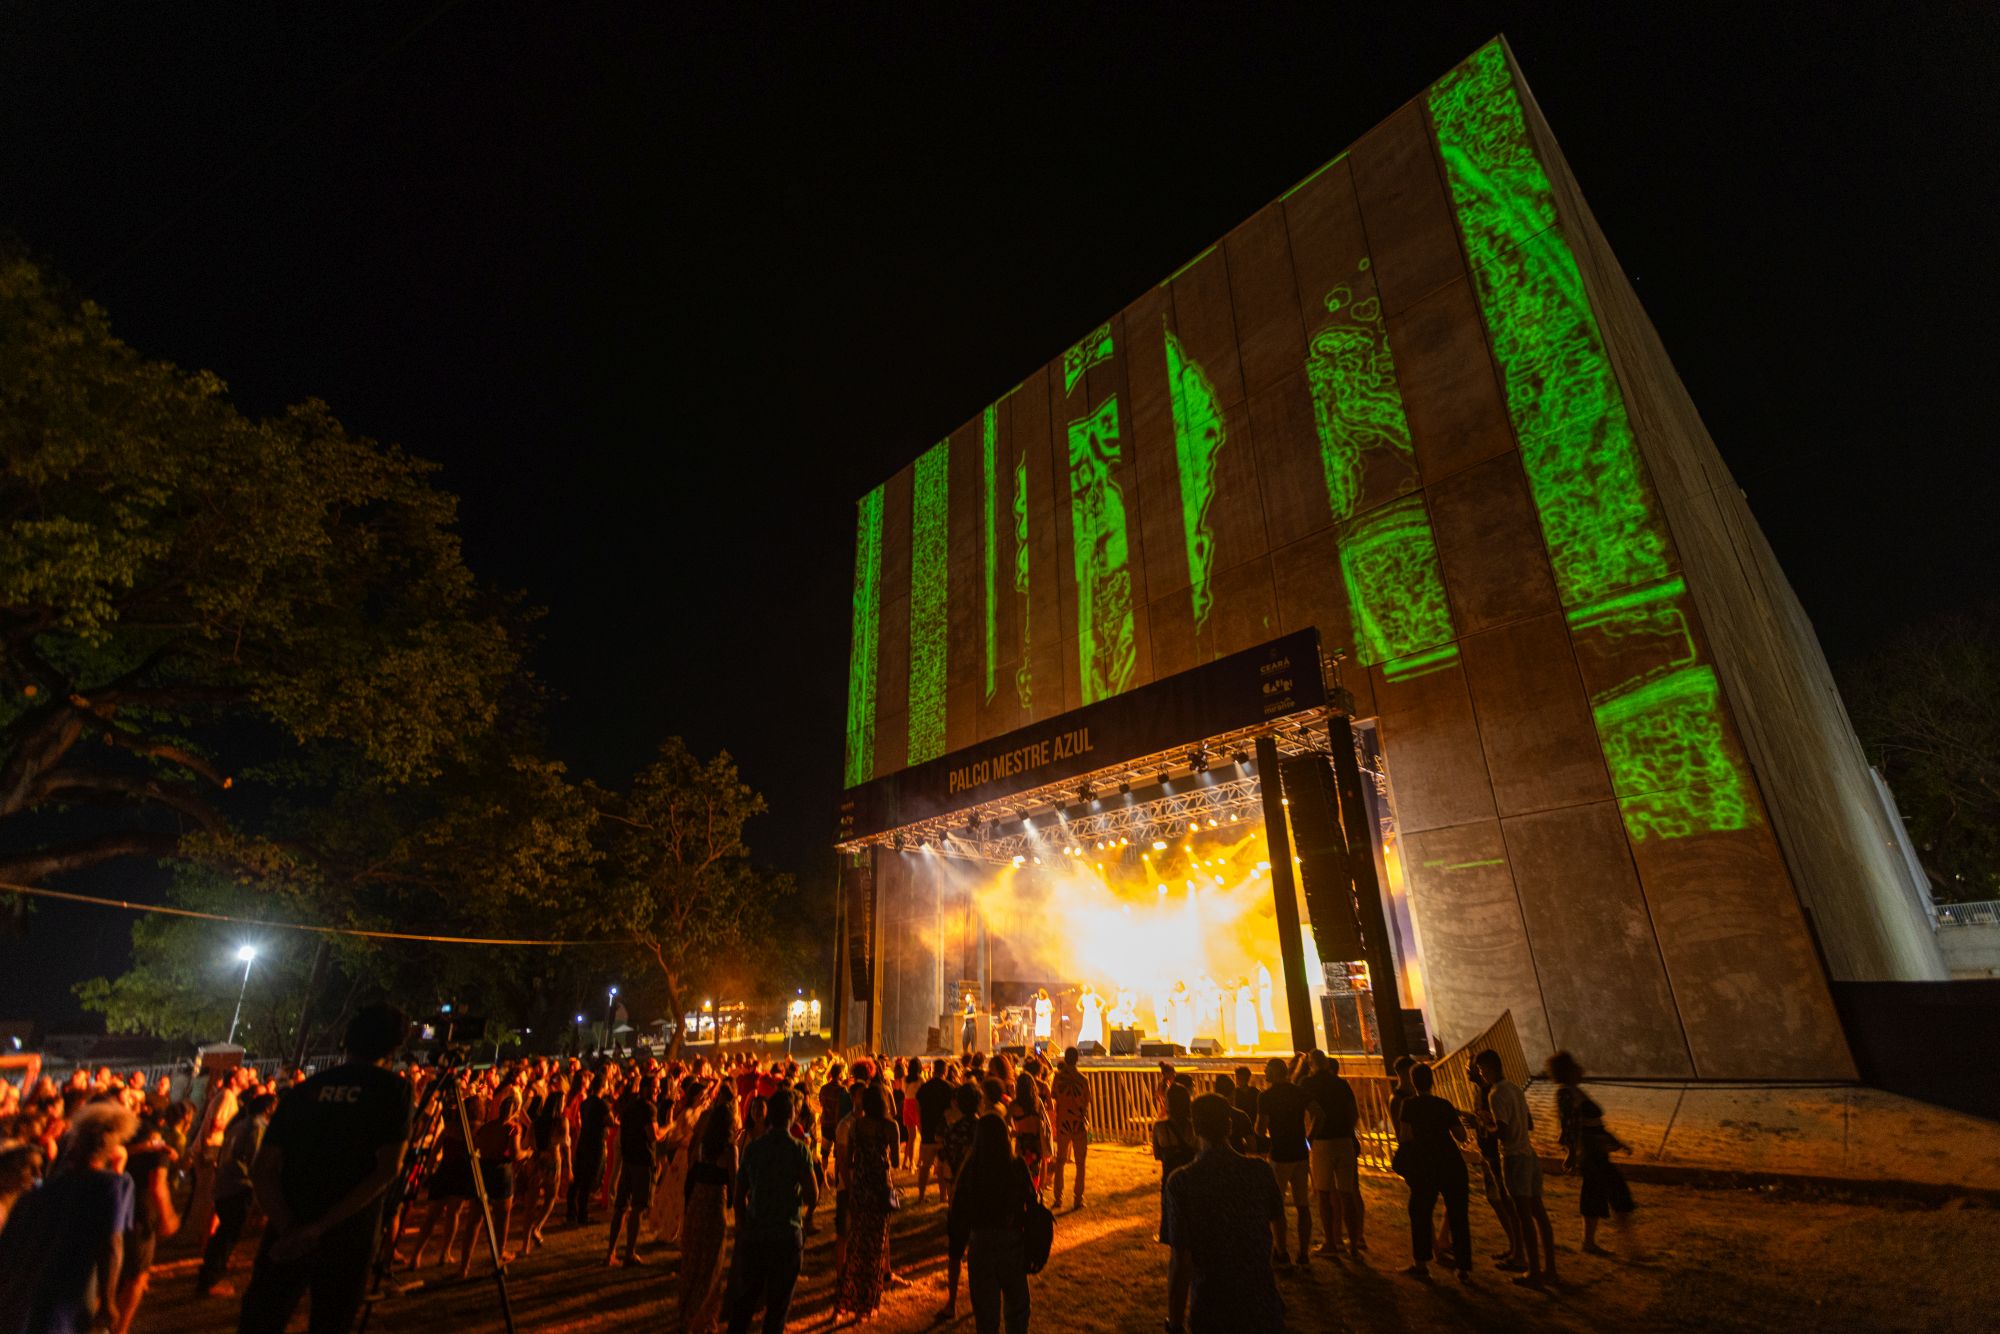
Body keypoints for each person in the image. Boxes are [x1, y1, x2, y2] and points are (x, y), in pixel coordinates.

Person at [237, 1002, 414, 1334]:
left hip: (287, 1229)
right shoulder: (394, 1090)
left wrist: (290, 1226)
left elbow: (263, 1168)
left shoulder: (303, 1091)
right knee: (331, 1323)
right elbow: (389, 1168)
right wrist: (319, 1228)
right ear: (393, 1047)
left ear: (347, 1040)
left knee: (262, 1319)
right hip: (348, 1236)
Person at [0, 1102, 138, 1334]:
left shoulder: (47, 1190)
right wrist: (108, 1301)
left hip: (32, 1294)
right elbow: (112, 1244)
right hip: (72, 1293)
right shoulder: (113, 1186)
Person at [1163, 1093, 1285, 1334]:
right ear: (1229, 1126)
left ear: (1194, 1127)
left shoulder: (1183, 1182)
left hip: (1212, 1305)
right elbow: (1278, 1223)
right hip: (1261, 1301)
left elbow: (1181, 1259)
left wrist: (1175, 1322)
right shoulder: (1260, 1171)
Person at [725, 1086, 818, 1334]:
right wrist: (806, 1215)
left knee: (745, 1301)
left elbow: (738, 1195)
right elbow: (813, 1194)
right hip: (787, 1233)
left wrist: (744, 1225)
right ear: (792, 1116)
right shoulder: (799, 1149)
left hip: (756, 1232)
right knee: (777, 1308)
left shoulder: (754, 1149)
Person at [945, 1114, 1036, 1334]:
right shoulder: (1015, 1166)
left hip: (981, 1242)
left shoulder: (971, 1169)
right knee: (1017, 1308)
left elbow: (959, 1211)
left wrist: (957, 1249)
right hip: (1010, 1240)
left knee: (986, 1314)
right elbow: (1031, 1203)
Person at [1477, 1049, 1556, 1286]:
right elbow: (1527, 1123)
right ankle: (1550, 1268)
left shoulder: (1496, 1094)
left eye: (1481, 1070)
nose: (1481, 1075)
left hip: (1514, 1158)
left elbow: (1503, 1132)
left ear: (1489, 1068)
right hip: (1529, 1154)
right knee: (1539, 1213)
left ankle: (1532, 1271)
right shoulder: (1514, 1089)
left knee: (1523, 1216)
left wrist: (1484, 1123)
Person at [1549, 1051, 1634, 1256]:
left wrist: (1616, 1143)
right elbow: (1569, 1125)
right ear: (1567, 1071)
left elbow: (1594, 1126)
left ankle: (1616, 1242)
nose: (1580, 1069)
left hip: (1596, 1151)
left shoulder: (1575, 1091)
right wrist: (1571, 1153)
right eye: (1574, 1066)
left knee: (1606, 1192)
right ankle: (1618, 1244)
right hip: (1589, 1153)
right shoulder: (1567, 1093)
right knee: (1603, 1192)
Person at [1396, 1063, 1471, 1283]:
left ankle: (1421, 1264)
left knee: (1420, 1212)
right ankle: (1463, 1268)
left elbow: (1406, 1136)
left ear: (1413, 1082)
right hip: (1450, 1162)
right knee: (1458, 1214)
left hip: (1424, 1163)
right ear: (1432, 1081)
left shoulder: (1409, 1105)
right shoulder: (1444, 1105)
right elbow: (1461, 1136)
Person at [197, 1091, 275, 1297]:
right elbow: (256, 1163)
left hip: (225, 1183)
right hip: (239, 1187)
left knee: (224, 1233)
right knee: (228, 1235)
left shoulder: (239, 1124)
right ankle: (211, 1280)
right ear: (268, 1109)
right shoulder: (258, 1128)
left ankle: (209, 1275)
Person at [835, 1084, 898, 1321]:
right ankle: (869, 1303)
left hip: (860, 1187)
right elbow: (897, 1160)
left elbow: (850, 1157)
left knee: (857, 1245)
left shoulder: (856, 1126)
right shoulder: (889, 1126)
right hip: (880, 1188)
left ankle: (849, 1298)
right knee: (876, 1247)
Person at [681, 1088, 737, 1334]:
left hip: (697, 1202)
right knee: (711, 1264)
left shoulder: (704, 1146)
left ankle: (687, 1312)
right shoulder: (729, 1150)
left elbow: (694, 1171)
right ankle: (702, 1319)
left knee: (694, 1259)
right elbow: (733, 1183)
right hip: (714, 1203)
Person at [1300, 1050, 1363, 1257]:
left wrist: (1308, 1136)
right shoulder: (1341, 1084)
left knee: (1323, 1193)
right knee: (1347, 1195)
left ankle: (1330, 1242)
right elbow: (1353, 1112)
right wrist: (1348, 1131)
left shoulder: (1308, 1084)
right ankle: (1353, 1244)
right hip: (1344, 1141)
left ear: (1310, 1064)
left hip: (1322, 1142)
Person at [1468, 1052, 1523, 1270]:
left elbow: (1502, 1127)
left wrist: (1481, 1122)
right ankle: (1514, 1246)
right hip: (1488, 1152)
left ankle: (1519, 1251)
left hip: (1497, 1154)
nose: (1469, 1072)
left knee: (1506, 1201)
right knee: (1496, 1200)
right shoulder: (1485, 1091)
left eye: (1472, 1067)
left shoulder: (1494, 1093)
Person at [1255, 1056, 1312, 1266]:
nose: (1264, 1073)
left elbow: (1260, 1128)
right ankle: (1304, 1254)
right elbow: (1318, 1114)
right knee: (1302, 1205)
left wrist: (1261, 1137)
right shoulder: (1299, 1092)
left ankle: (1281, 1251)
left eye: (1267, 1069)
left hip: (1279, 1154)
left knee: (1276, 1205)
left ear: (1275, 1072)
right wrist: (1309, 1138)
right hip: (1300, 1152)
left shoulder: (1266, 1097)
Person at [607, 1074, 666, 1266]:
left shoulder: (630, 1107)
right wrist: (668, 1128)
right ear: (645, 1089)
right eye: (655, 1087)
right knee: (637, 1209)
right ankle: (630, 1253)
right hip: (642, 1163)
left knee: (620, 1208)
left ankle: (610, 1253)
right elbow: (653, 1136)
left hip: (629, 1162)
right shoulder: (649, 1109)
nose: (658, 1090)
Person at [1150, 1083, 1198, 1247]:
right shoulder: (1194, 1125)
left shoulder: (1160, 1127)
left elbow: (1157, 1155)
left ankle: (1168, 1234)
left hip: (1170, 1172)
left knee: (1169, 1204)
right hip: (1191, 1172)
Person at [1048, 1046, 1091, 1210]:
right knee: (1081, 1163)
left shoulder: (1058, 1078)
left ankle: (1058, 1198)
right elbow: (1086, 1101)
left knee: (1060, 1161)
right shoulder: (1083, 1079)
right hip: (1078, 1123)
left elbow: (1054, 1096)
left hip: (1063, 1122)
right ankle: (1078, 1198)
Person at [569, 1070, 611, 1227]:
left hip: (584, 1141)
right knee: (587, 1179)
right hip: (595, 1143)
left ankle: (571, 1211)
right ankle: (582, 1215)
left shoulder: (586, 1102)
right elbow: (611, 1121)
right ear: (603, 1085)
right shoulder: (602, 1104)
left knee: (579, 1178)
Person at [914, 1058, 953, 1204]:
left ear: (932, 1069)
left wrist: (921, 1124)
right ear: (945, 1070)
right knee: (942, 1166)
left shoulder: (924, 1088)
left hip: (928, 1130)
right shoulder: (950, 1087)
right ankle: (943, 1196)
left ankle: (921, 1195)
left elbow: (918, 1106)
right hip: (943, 1133)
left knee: (925, 1166)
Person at [1007, 1073, 1050, 1195]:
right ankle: (1036, 1193)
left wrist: (1014, 1133)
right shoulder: (1038, 1102)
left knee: (1022, 1172)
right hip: (1036, 1142)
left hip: (1022, 1142)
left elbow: (1006, 1123)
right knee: (1036, 1171)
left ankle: (1024, 1196)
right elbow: (1044, 1122)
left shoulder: (1014, 1105)